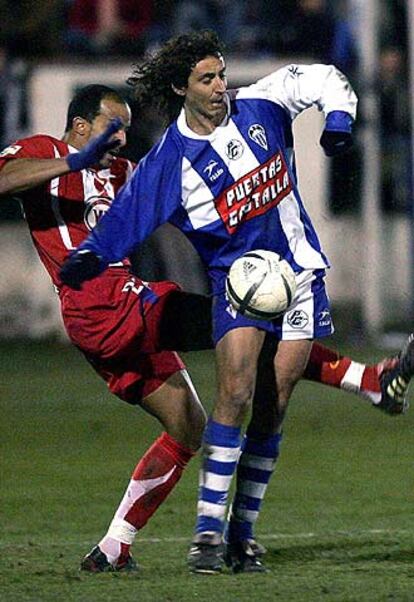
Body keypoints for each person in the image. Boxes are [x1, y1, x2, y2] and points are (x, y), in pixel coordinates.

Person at [59, 31, 414, 574]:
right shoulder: (170, 161)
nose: (221, 86)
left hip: (297, 273)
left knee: (275, 403)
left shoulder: (260, 104)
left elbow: (322, 78)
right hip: (237, 284)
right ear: (182, 87)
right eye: (207, 79)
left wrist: (338, 120)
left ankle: (241, 537)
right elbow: (130, 213)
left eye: (222, 74)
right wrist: (92, 254)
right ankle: (206, 533)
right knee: (235, 390)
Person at [0, 84, 209, 573]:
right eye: (112, 129)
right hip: (96, 303)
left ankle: (114, 548)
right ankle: (362, 380)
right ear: (79, 127)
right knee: (236, 321)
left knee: (188, 424)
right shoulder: (43, 153)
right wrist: (74, 162)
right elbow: (5, 179)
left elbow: (177, 204)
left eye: (126, 131)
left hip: (122, 309)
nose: (120, 140)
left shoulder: (122, 173)